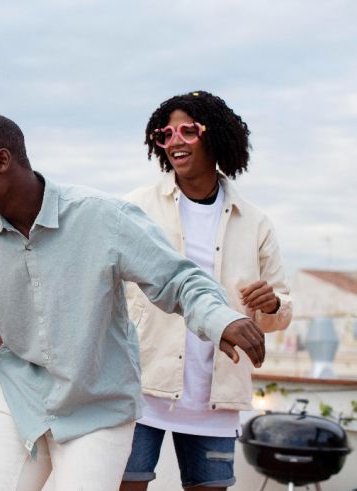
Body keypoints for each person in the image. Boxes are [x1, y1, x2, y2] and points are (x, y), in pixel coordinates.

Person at [0, 114, 267, 490]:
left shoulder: (101, 217)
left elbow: (176, 279)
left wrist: (219, 318)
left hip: (99, 408)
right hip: (21, 400)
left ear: (1, 161)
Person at [120, 91, 292, 491]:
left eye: (188, 130)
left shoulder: (255, 222)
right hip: (141, 387)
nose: (175, 140)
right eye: (166, 133)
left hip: (217, 395)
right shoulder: (136, 209)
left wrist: (273, 304)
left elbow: (280, 313)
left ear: (216, 136)